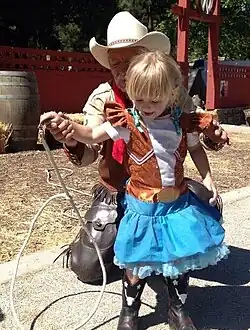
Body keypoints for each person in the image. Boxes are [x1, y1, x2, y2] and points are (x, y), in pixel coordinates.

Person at [41, 51, 229, 330]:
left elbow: (196, 150)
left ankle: (177, 309)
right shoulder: (127, 122)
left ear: (172, 92)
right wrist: (66, 126)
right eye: (139, 99)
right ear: (131, 93)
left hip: (176, 207)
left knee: (178, 260)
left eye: (155, 100)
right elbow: (91, 134)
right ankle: (130, 310)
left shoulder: (182, 122)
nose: (147, 107)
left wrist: (208, 179)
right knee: (136, 262)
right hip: (141, 208)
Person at [41, 11, 229, 285]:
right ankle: (138, 257)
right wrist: (71, 135)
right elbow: (90, 145)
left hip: (163, 186)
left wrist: (215, 136)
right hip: (116, 191)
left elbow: (196, 136)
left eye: (129, 61)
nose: (121, 70)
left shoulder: (174, 94)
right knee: (88, 268)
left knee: (205, 205)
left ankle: (157, 254)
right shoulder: (103, 97)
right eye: (114, 63)